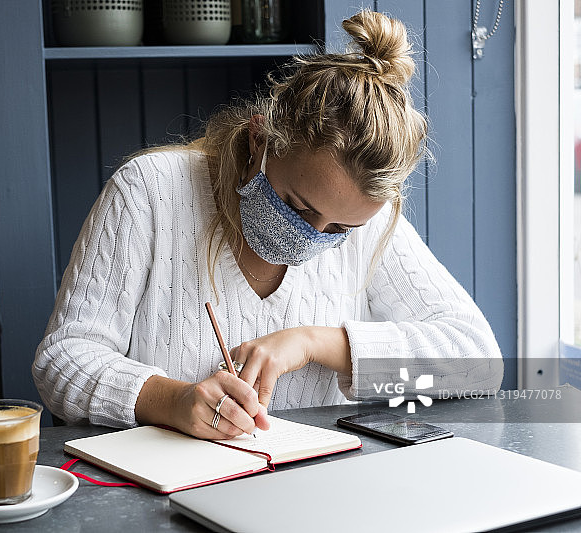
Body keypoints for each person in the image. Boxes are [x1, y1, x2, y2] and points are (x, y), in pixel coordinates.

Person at [32, 10, 503, 440]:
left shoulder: (369, 225)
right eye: (297, 207)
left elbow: (479, 362)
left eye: (338, 229)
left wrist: (318, 342)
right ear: (260, 139)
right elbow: (63, 359)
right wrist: (172, 401)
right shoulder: (149, 192)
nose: (313, 235)